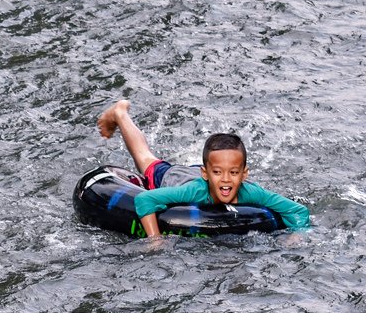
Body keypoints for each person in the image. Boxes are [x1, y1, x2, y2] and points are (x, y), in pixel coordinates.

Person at [96, 100, 311, 238]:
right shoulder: (192, 191)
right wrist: (155, 240)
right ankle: (120, 113)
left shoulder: (252, 192)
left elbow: (298, 211)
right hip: (175, 177)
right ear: (206, 172)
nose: (226, 180)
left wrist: (296, 236)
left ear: (244, 174)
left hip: (201, 175)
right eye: (218, 173)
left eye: (234, 173)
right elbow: (144, 200)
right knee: (145, 158)